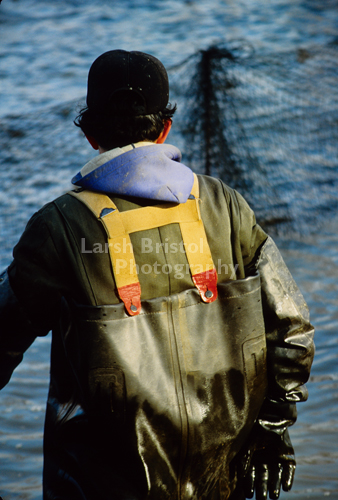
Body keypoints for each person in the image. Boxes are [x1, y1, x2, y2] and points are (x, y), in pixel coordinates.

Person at [0, 50, 314, 500]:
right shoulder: (224, 204)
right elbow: (294, 330)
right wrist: (272, 427)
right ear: (165, 128)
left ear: (90, 133)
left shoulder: (59, 227)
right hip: (222, 479)